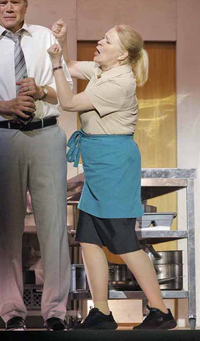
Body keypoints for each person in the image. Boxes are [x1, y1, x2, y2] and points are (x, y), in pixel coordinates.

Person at [47, 19, 177, 330]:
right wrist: (60, 46)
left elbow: (68, 102)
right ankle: (101, 312)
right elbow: (70, 66)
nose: (99, 43)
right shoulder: (102, 72)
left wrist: (54, 65)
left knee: (124, 242)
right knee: (89, 239)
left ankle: (161, 312)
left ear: (121, 55)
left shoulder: (120, 83)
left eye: (106, 41)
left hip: (114, 165)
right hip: (98, 165)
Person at [0, 0, 72, 332]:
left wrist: (41, 89)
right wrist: (6, 105)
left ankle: (55, 312)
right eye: (3, 3)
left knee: (55, 225)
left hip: (46, 135)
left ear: (26, 6)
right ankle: (12, 310)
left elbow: (66, 92)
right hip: (2, 137)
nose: (9, 8)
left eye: (16, 2)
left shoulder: (45, 37)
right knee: (7, 228)